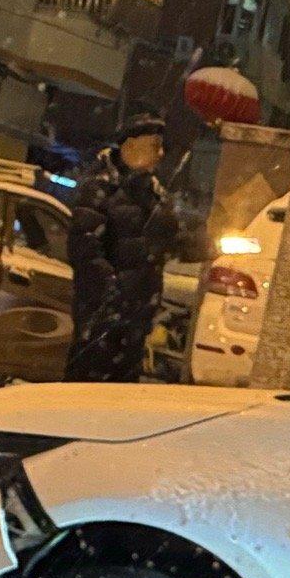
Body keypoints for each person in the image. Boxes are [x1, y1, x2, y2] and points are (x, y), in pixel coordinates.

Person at [65, 114, 180, 383]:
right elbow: (85, 249)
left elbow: (167, 242)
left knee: (121, 389)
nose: (160, 155)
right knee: (88, 383)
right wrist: (112, 292)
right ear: (130, 145)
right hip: (104, 314)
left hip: (136, 315)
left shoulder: (153, 194)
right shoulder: (100, 188)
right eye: (154, 146)